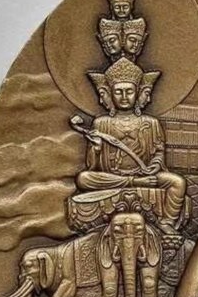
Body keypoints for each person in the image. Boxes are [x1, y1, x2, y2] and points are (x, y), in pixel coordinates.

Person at [77, 57, 186, 229]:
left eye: (129, 91)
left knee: (177, 182)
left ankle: (167, 223)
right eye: (118, 92)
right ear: (109, 94)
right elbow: (92, 167)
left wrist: (154, 167)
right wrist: (96, 148)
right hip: (114, 176)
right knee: (83, 179)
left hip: (145, 174)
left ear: (139, 93)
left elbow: (159, 153)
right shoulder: (101, 123)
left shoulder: (151, 123)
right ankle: (133, 182)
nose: (124, 97)